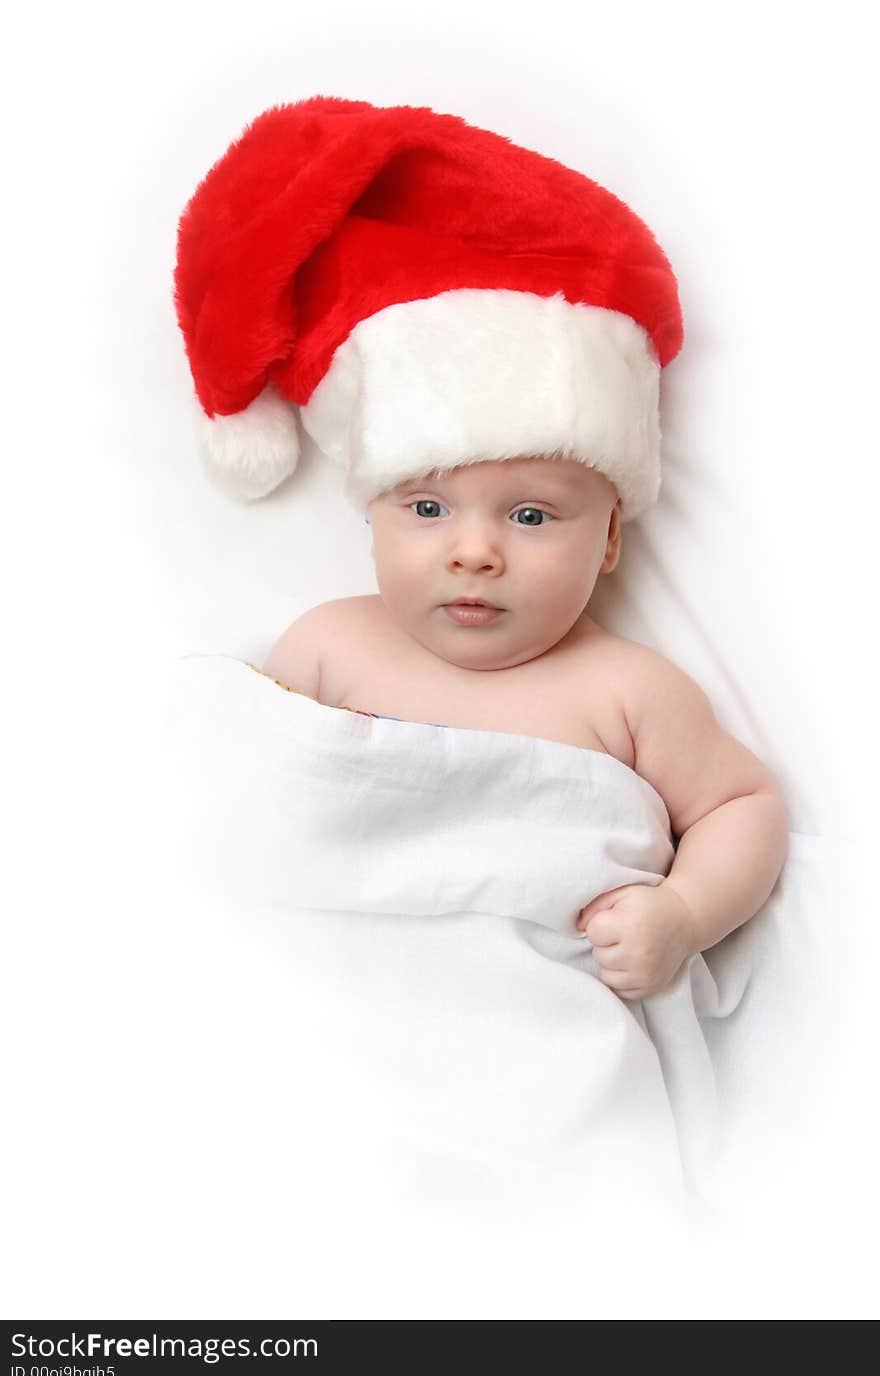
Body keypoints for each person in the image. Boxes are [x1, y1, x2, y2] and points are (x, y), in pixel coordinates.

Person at [174, 95, 789, 1003]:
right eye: (427, 507)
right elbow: (221, 794)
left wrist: (684, 917)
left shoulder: (628, 692)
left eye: (532, 517)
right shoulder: (324, 650)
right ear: (370, 516)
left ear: (611, 537)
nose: (475, 552)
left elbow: (745, 808)